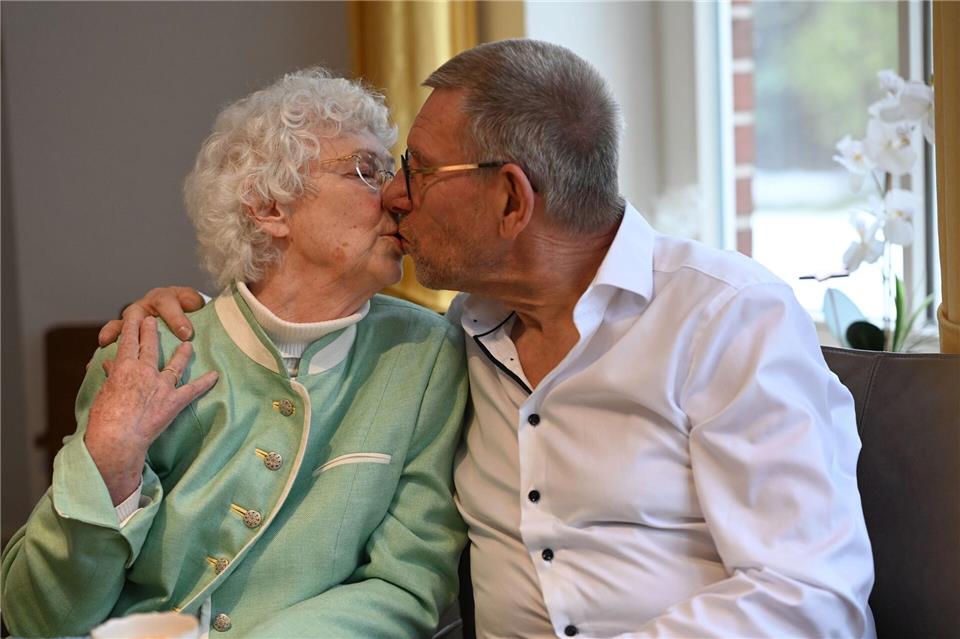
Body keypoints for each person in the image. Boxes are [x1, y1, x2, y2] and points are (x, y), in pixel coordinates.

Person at [96, 40, 876, 638]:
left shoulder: (726, 319)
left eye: (418, 169)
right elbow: (294, 320)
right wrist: (189, 308)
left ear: (510, 199)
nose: (396, 196)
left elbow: (812, 593)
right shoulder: (455, 339)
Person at [1, 68, 468, 638]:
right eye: (367, 171)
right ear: (269, 208)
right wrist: (108, 467)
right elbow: (38, 622)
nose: (399, 198)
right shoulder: (150, 351)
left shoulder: (426, 355)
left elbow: (405, 585)